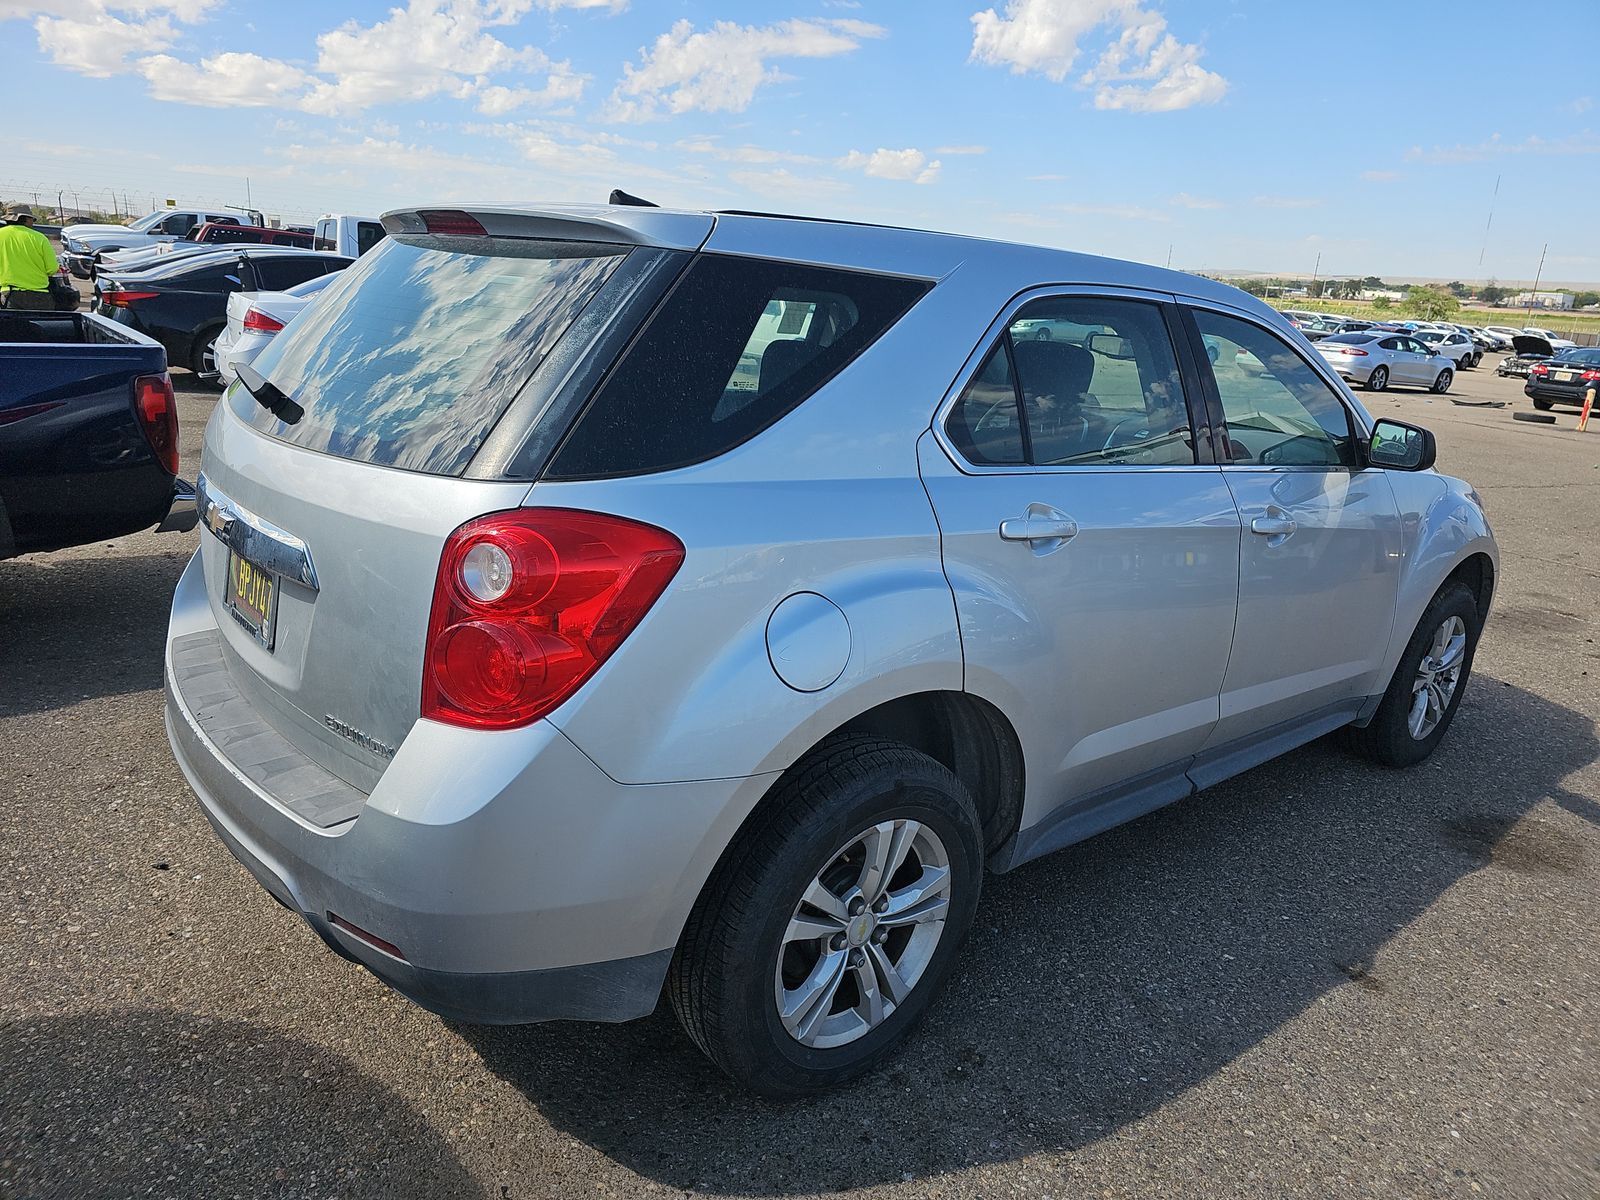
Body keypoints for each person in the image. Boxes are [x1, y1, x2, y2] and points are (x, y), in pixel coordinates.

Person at [0, 204, 60, 311]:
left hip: (9, 295)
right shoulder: (40, 238)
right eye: (31, 219)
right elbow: (52, 268)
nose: (32, 222)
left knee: (11, 327)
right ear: (25, 219)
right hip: (40, 295)